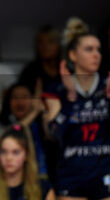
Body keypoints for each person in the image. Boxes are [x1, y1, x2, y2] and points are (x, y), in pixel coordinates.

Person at [43, 17, 110, 200]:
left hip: (105, 173)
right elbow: (52, 133)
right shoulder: (57, 89)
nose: (97, 54)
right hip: (72, 175)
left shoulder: (107, 85)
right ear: (73, 55)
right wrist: (71, 99)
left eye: (99, 50)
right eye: (89, 49)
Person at [0, 124, 56, 200]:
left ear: (26, 155)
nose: (9, 158)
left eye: (15, 152)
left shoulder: (44, 188)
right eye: (4, 151)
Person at [19, 25, 61, 94]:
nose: (45, 46)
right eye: (41, 42)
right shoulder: (29, 71)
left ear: (59, 45)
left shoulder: (67, 71)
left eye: (51, 41)